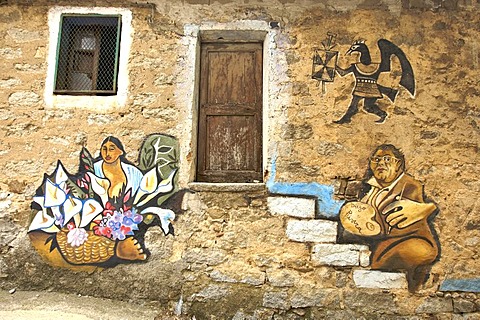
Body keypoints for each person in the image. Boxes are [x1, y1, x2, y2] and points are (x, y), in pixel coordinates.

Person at [340, 144, 439, 291]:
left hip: (411, 240)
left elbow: (406, 223)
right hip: (382, 244)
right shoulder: (369, 190)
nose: (381, 163)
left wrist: (376, 230)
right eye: (376, 159)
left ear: (398, 164)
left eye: (387, 159)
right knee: (378, 257)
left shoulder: (410, 185)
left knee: (406, 254)